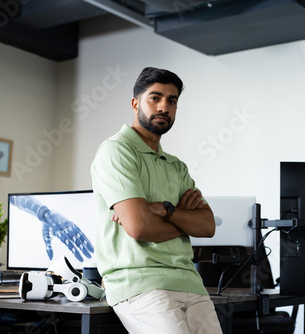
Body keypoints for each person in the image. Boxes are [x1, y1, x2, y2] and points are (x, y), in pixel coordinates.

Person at [90, 67, 223, 334]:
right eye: (155, 98)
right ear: (135, 103)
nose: (164, 106)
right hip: (141, 284)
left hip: (190, 283)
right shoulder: (116, 150)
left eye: (172, 101)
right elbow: (139, 228)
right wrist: (184, 221)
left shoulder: (177, 166)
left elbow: (208, 226)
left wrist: (164, 210)